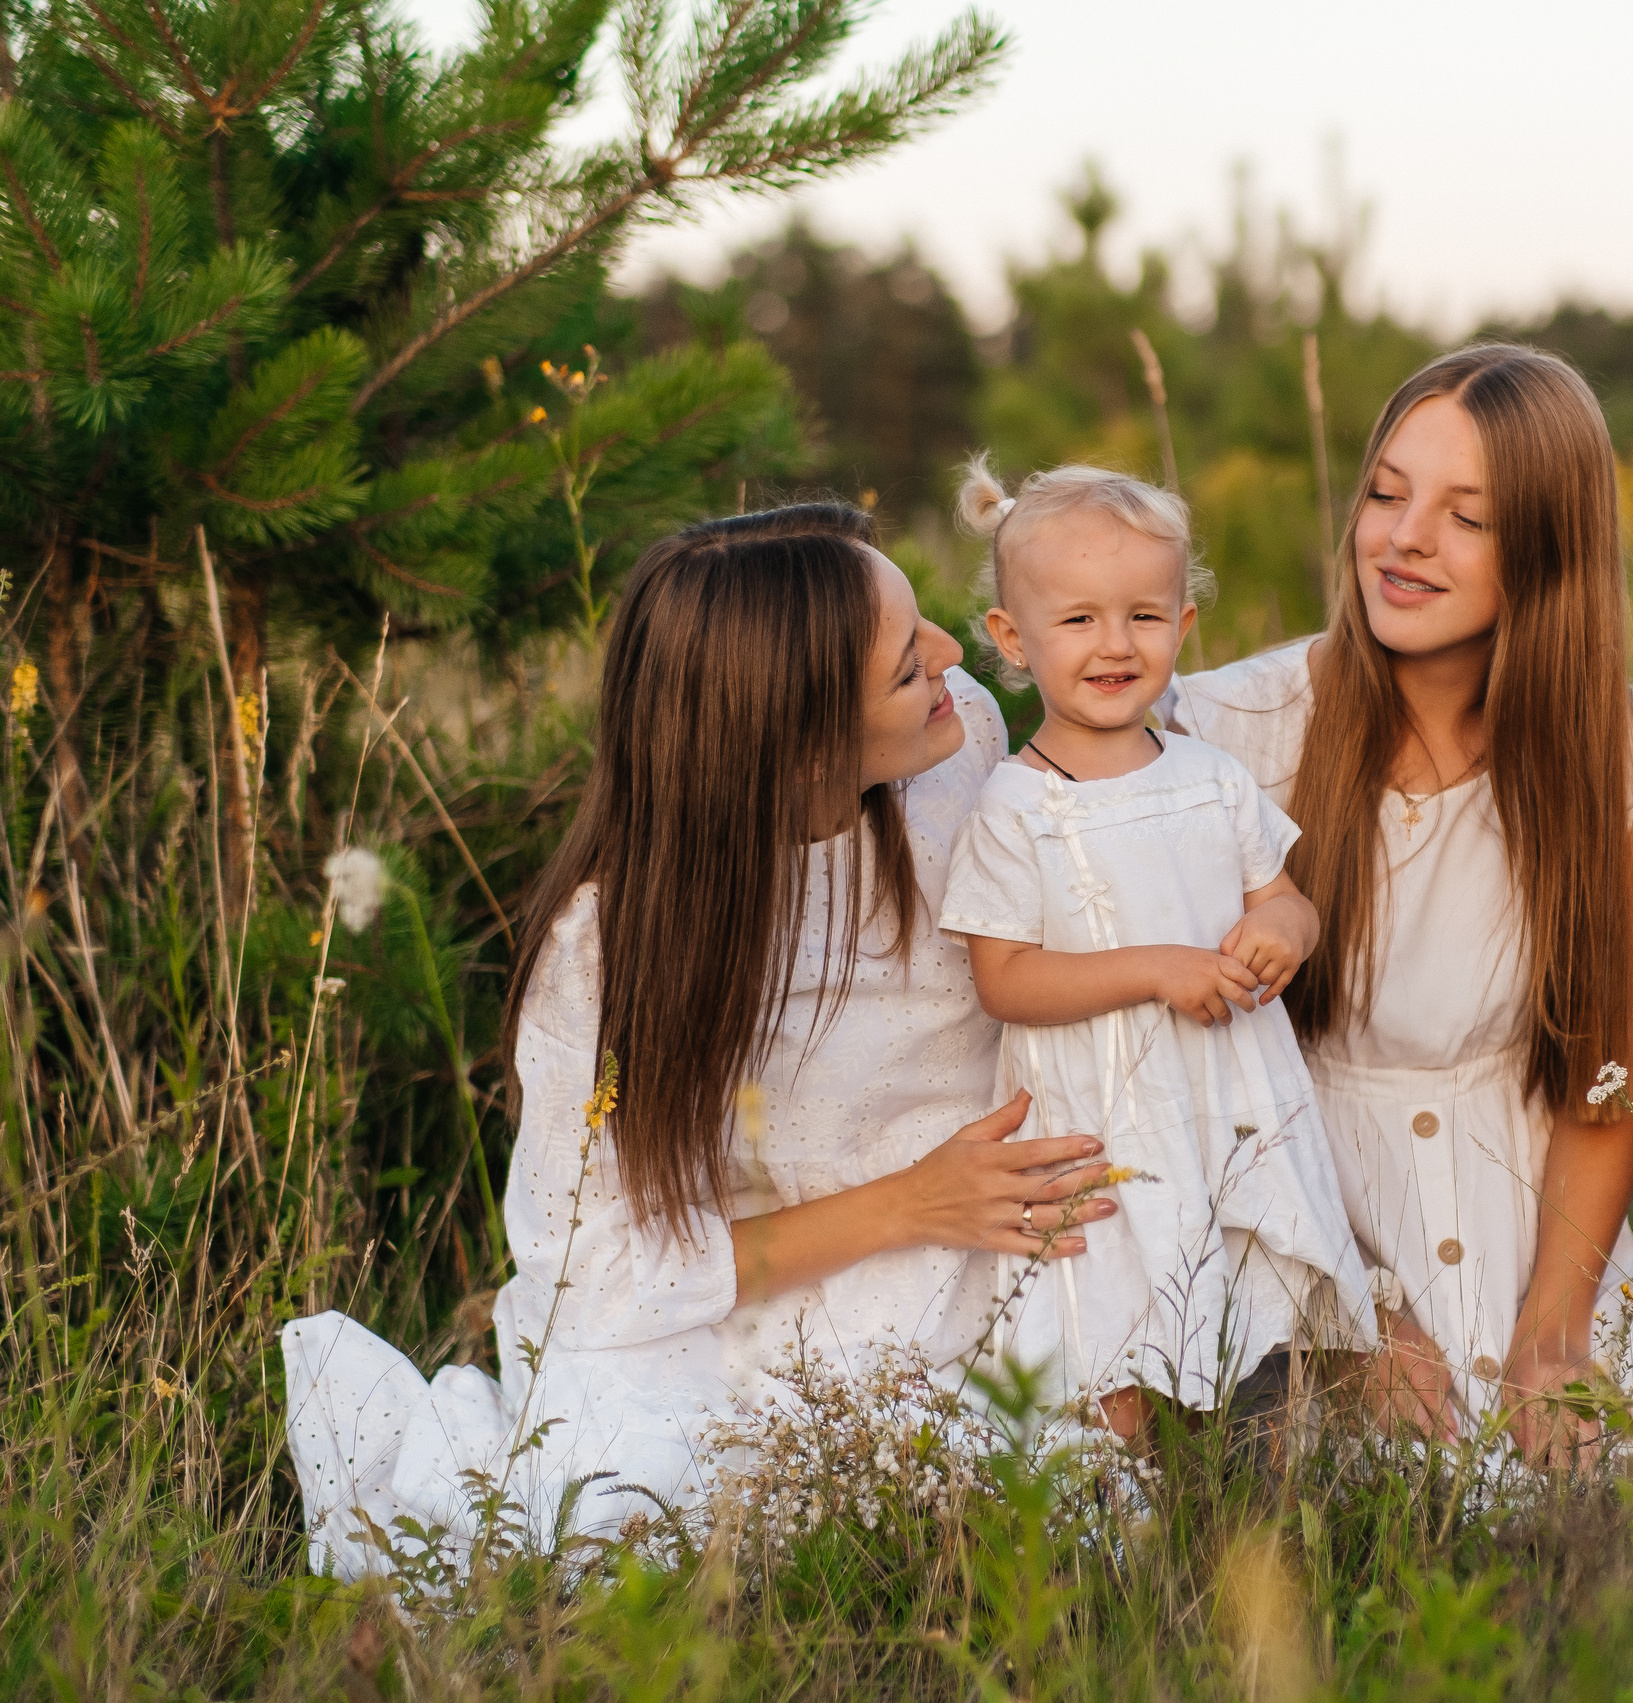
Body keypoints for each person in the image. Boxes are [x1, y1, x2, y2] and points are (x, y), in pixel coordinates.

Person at [281, 504, 1119, 1577]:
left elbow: (1164, 728)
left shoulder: (964, 755)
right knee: (633, 1527)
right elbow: (597, 1273)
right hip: (749, 1313)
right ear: (804, 737)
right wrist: (910, 1202)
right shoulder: (612, 947)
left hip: (989, 1264)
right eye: (910, 663)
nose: (957, 661)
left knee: (1064, 1502)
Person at [1161, 344, 1633, 1457]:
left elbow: (1606, 1083)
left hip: (1538, 1251)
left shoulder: (1614, 748)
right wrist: (1357, 1320)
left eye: (1468, 517)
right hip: (1296, 1265)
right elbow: (1188, 1094)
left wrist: (1552, 1333)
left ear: (1545, 550)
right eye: (1387, 495)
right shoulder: (1221, 736)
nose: (1402, 539)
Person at [938, 460, 1375, 1437]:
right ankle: (1132, 1514)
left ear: (1180, 627)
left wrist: (1278, 932)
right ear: (1013, 639)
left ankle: (1257, 1500)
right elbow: (1003, 979)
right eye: (1079, 619)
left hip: (1226, 1099)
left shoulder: (1212, 778)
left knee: (1247, 1301)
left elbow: (1288, 900)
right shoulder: (1015, 806)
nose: (1113, 643)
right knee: (1115, 1316)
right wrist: (1158, 968)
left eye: (1142, 615)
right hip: (1107, 1112)